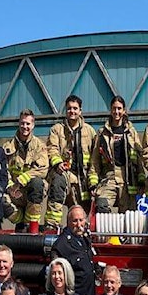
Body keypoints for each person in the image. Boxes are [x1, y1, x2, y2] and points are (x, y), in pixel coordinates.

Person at [47, 95, 96, 228]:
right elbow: (52, 148)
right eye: (69, 108)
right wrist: (58, 163)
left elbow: (95, 159)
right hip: (64, 176)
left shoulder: (90, 131)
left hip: (83, 180)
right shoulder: (57, 130)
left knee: (81, 217)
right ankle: (51, 228)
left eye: (75, 108)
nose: (72, 111)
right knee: (56, 191)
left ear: (80, 111)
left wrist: (93, 182)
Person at [90, 95, 144, 213]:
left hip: (129, 181)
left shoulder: (131, 132)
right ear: (110, 110)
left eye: (119, 108)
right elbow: (95, 161)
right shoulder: (101, 133)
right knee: (102, 205)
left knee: (129, 217)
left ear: (124, 111)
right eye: (114, 108)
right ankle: (107, 231)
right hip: (109, 179)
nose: (116, 112)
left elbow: (139, 159)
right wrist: (93, 183)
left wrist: (141, 180)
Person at [4, 109, 49, 233]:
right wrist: (10, 187)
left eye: (28, 124)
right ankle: (19, 221)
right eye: (23, 123)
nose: (25, 127)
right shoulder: (7, 147)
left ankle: (29, 225)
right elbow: (3, 171)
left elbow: (43, 170)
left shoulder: (40, 146)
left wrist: (22, 179)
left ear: (33, 125)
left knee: (38, 183)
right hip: (13, 193)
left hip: (32, 192)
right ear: (19, 123)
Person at [51, 205, 96, 295]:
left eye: (81, 220)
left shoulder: (84, 239)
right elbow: (57, 276)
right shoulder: (61, 245)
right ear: (68, 222)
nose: (79, 225)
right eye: (75, 221)